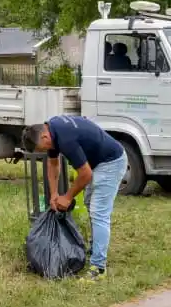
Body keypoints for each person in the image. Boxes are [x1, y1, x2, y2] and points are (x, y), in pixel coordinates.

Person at [22, 115, 128, 280]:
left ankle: (98, 268)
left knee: (99, 211)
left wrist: (68, 197)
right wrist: (54, 194)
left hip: (111, 162)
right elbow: (53, 163)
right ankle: (96, 250)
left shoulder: (65, 139)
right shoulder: (52, 129)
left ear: (44, 136)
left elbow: (85, 174)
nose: (44, 150)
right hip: (98, 163)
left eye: (42, 148)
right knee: (89, 203)